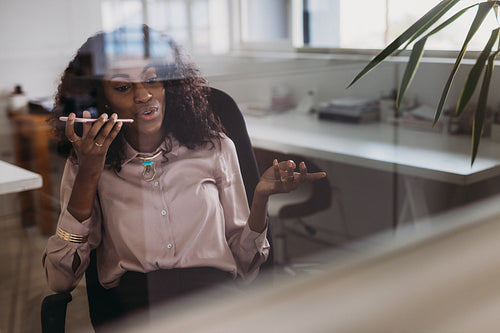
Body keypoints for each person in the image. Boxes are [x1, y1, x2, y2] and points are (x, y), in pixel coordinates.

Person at [42, 25, 326, 328]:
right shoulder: (88, 160)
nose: (144, 95)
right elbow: (60, 281)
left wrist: (260, 199)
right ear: (102, 99)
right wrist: (88, 172)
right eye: (124, 87)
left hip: (214, 302)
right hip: (139, 309)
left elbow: (247, 269)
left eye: (153, 79)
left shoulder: (215, 147)